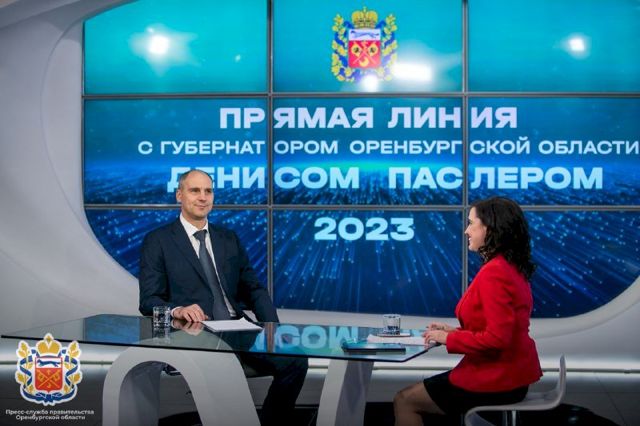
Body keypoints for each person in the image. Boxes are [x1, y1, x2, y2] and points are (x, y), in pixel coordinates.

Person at [138, 169, 308, 426]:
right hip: (196, 331)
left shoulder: (228, 238)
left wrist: (272, 329)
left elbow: (254, 289)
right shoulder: (158, 240)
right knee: (225, 368)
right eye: (195, 190)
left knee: (295, 360)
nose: (203, 197)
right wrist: (178, 309)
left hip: (237, 328)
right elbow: (149, 300)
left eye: (208, 191)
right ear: (179, 195)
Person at [393, 197, 542, 426]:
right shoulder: (508, 266)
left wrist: (449, 338)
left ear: (490, 228)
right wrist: (453, 331)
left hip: (498, 378)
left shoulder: (495, 272)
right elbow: (498, 328)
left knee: (405, 400)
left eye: (472, 223)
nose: (466, 231)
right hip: (512, 374)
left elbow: (497, 339)